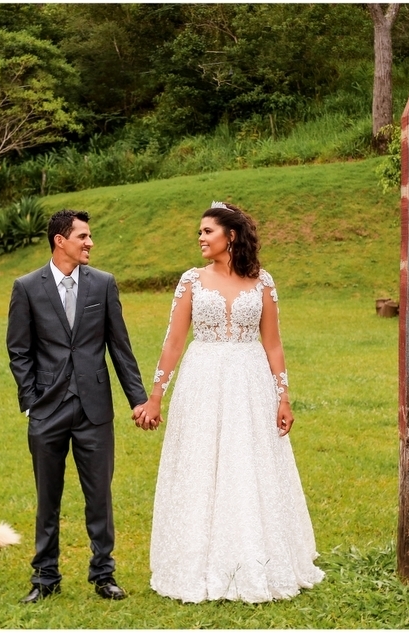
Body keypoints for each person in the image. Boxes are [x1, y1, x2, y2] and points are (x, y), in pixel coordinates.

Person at [135, 201, 324, 603]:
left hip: (249, 380)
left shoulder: (263, 282)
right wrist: (155, 396)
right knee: (200, 465)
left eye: (207, 231)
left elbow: (272, 344)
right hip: (201, 378)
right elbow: (173, 341)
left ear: (230, 236)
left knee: (247, 466)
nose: (201, 238)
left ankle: (253, 558)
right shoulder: (190, 281)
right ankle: (196, 561)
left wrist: (283, 396)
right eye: (200, 233)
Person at [7, 209, 148, 603]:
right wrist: (31, 399)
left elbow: (120, 347)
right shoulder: (27, 287)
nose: (90, 243)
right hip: (47, 410)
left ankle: (104, 574)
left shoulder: (103, 285)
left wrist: (138, 399)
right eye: (83, 236)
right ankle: (44, 577)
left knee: (98, 495)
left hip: (94, 409)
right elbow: (19, 350)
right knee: (47, 497)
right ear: (60, 240)